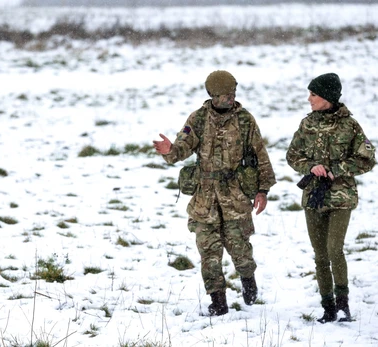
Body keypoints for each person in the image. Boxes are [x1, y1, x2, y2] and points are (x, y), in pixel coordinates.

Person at [153, 70, 276, 316]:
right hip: (204, 200)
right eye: (223, 95)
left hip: (235, 196)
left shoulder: (244, 120)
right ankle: (218, 301)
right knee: (208, 252)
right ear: (211, 95)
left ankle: (247, 277)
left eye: (232, 94)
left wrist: (263, 190)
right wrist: (170, 150)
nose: (229, 99)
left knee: (239, 248)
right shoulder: (198, 119)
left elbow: (260, 155)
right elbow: (181, 150)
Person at [286, 73, 376, 323]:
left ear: (327, 96)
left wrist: (338, 170)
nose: (309, 99)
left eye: (313, 94)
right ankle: (327, 307)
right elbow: (292, 155)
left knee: (334, 249)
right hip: (313, 197)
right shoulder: (307, 124)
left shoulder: (350, 126)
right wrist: (311, 166)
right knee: (320, 255)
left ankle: (343, 304)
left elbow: (367, 158)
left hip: (340, 198)